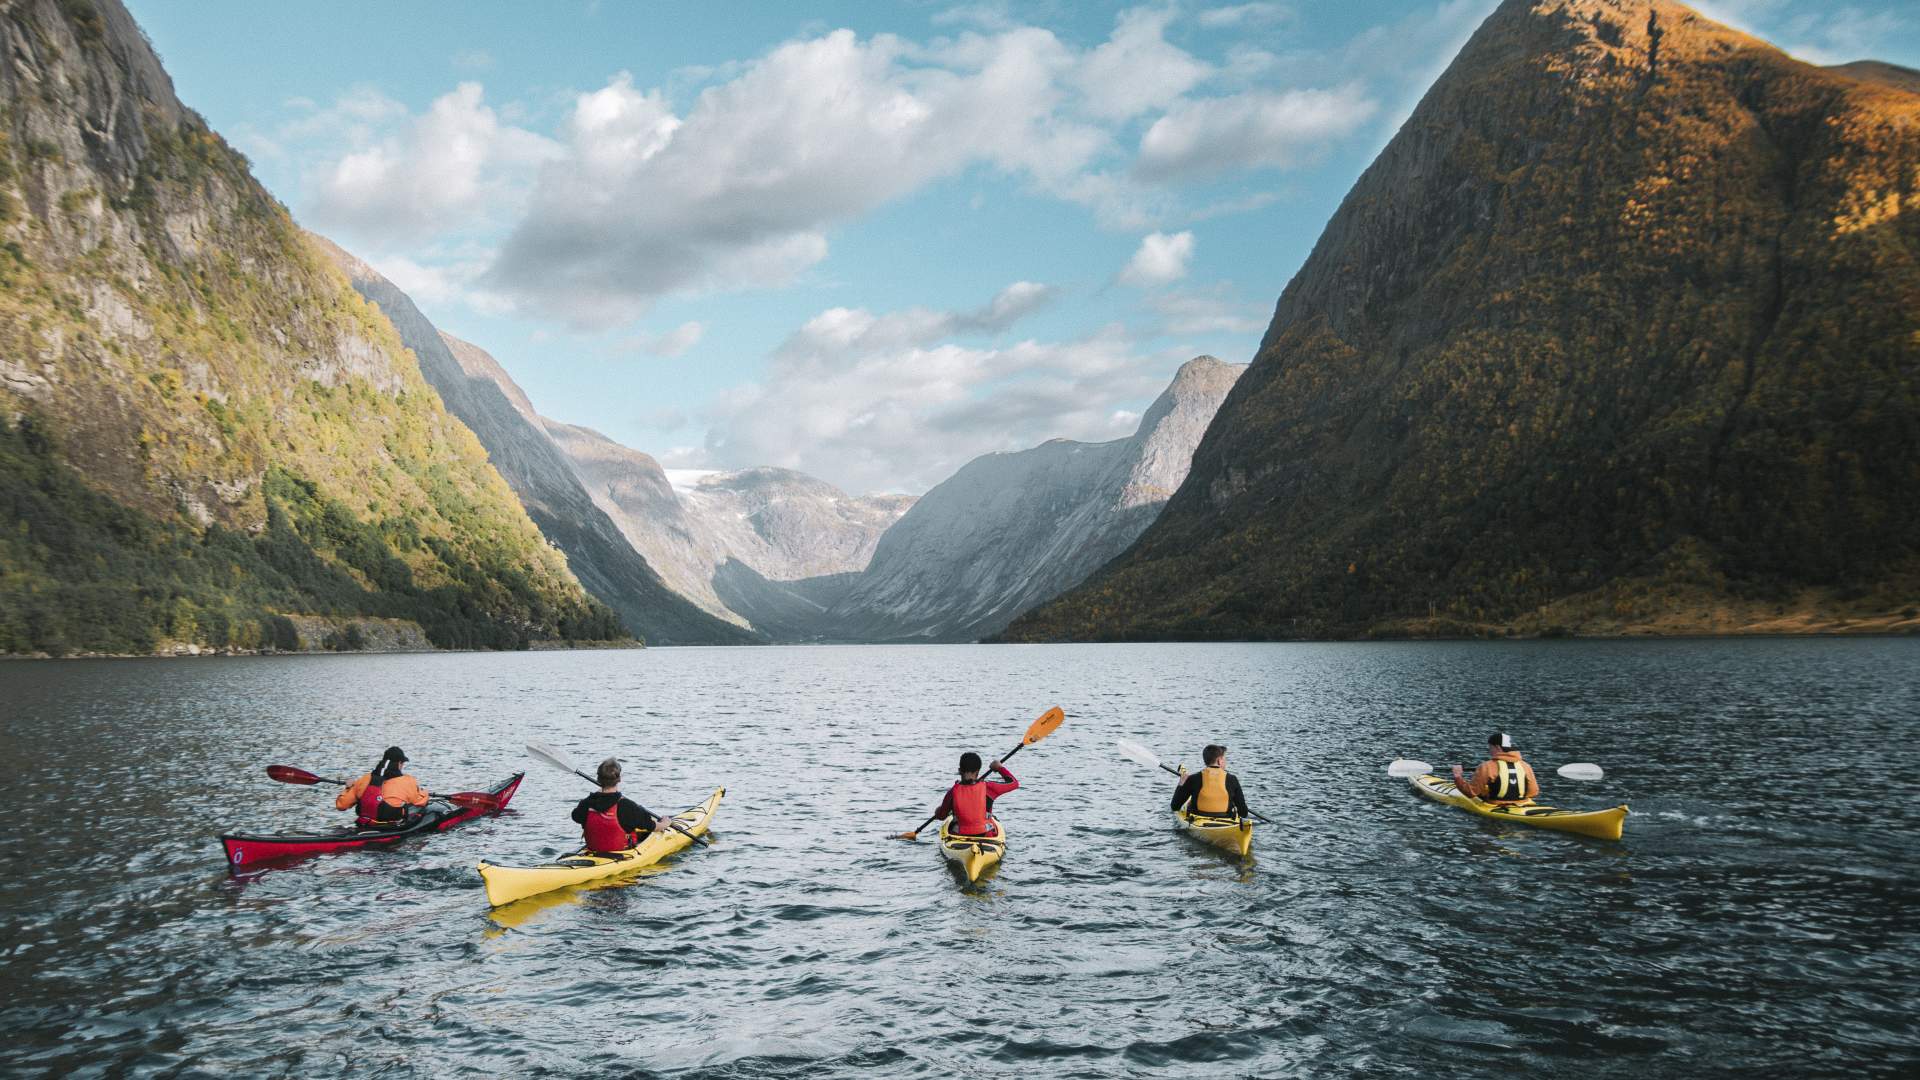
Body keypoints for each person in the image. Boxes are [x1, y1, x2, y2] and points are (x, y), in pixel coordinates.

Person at [572, 758, 677, 853]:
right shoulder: (628, 806)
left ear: (599, 779)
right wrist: (665, 823)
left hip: (593, 851)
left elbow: (575, 817)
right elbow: (652, 826)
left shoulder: (586, 803)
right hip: (621, 853)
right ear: (619, 779)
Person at [335, 746, 430, 826]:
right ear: (399, 764)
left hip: (366, 823)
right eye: (402, 763)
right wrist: (424, 792)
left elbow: (341, 805)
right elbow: (420, 802)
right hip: (391, 826)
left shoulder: (365, 779)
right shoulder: (408, 781)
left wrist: (349, 788)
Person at [931, 752, 1018, 837]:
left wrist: (938, 811)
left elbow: (942, 816)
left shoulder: (952, 792)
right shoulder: (989, 788)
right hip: (986, 835)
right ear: (978, 771)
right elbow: (1014, 783)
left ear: (959, 771)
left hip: (960, 836)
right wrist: (999, 768)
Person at [1452, 732, 1540, 805]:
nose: (1489, 751)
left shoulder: (1487, 766)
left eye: (1490, 747)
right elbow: (1533, 792)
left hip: (1494, 805)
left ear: (1497, 747)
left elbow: (1470, 792)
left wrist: (1458, 776)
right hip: (1522, 804)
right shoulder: (1526, 766)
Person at [1171, 744, 1252, 820]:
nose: (1225, 762)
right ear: (1219, 760)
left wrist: (1181, 784)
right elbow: (1243, 813)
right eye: (1224, 759)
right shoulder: (1232, 779)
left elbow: (1175, 806)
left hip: (1198, 820)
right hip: (1226, 821)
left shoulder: (1193, 779)